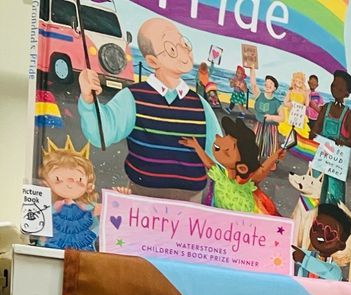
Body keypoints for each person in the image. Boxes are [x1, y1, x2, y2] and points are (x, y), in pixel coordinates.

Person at [77, 16, 221, 200]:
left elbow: (218, 153)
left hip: (191, 200)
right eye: (171, 48)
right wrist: (89, 100)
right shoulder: (133, 97)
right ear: (152, 61)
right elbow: (102, 135)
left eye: (183, 43)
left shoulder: (200, 104)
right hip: (142, 197)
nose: (183, 51)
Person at [179, 116, 285, 214]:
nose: (217, 141)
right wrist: (196, 147)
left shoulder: (246, 182)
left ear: (242, 168)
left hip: (245, 223)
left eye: (227, 150)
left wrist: (274, 157)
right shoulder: (220, 175)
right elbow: (209, 163)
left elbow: (261, 170)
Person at [38, 137, 99, 251]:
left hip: (83, 256)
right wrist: (42, 239)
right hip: (52, 252)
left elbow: (97, 225)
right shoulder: (50, 208)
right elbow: (40, 225)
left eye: (79, 180)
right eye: (59, 179)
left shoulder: (85, 209)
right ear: (46, 183)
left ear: (88, 185)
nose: (70, 185)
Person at [313, 70, 351, 204]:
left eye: (339, 88)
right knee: (315, 191)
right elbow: (315, 130)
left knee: (334, 197)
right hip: (321, 159)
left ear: (347, 93)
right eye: (333, 86)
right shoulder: (325, 108)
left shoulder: (349, 116)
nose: (335, 89)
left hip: (336, 164)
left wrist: (343, 142)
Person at [294, 203, 351, 280]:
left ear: (341, 245)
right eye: (317, 227)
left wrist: (304, 260)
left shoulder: (334, 270)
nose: (320, 234)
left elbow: (327, 272)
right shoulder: (306, 254)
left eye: (329, 234)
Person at [251, 73, 284, 160]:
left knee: (270, 145)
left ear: (274, 88)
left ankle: (271, 162)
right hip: (259, 125)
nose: (268, 86)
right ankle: (255, 158)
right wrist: (252, 69)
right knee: (256, 143)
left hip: (271, 127)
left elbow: (282, 118)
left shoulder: (276, 102)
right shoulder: (259, 95)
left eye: (270, 84)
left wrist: (271, 117)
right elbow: (253, 84)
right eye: (266, 84)